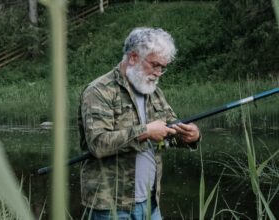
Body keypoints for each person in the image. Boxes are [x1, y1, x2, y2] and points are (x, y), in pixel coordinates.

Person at [78, 27, 201, 220]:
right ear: (134, 57)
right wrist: (145, 132)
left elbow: (168, 133)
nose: (159, 73)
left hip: (150, 204)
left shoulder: (153, 91)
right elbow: (98, 144)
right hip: (110, 206)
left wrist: (191, 136)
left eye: (163, 67)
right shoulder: (99, 91)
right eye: (155, 65)